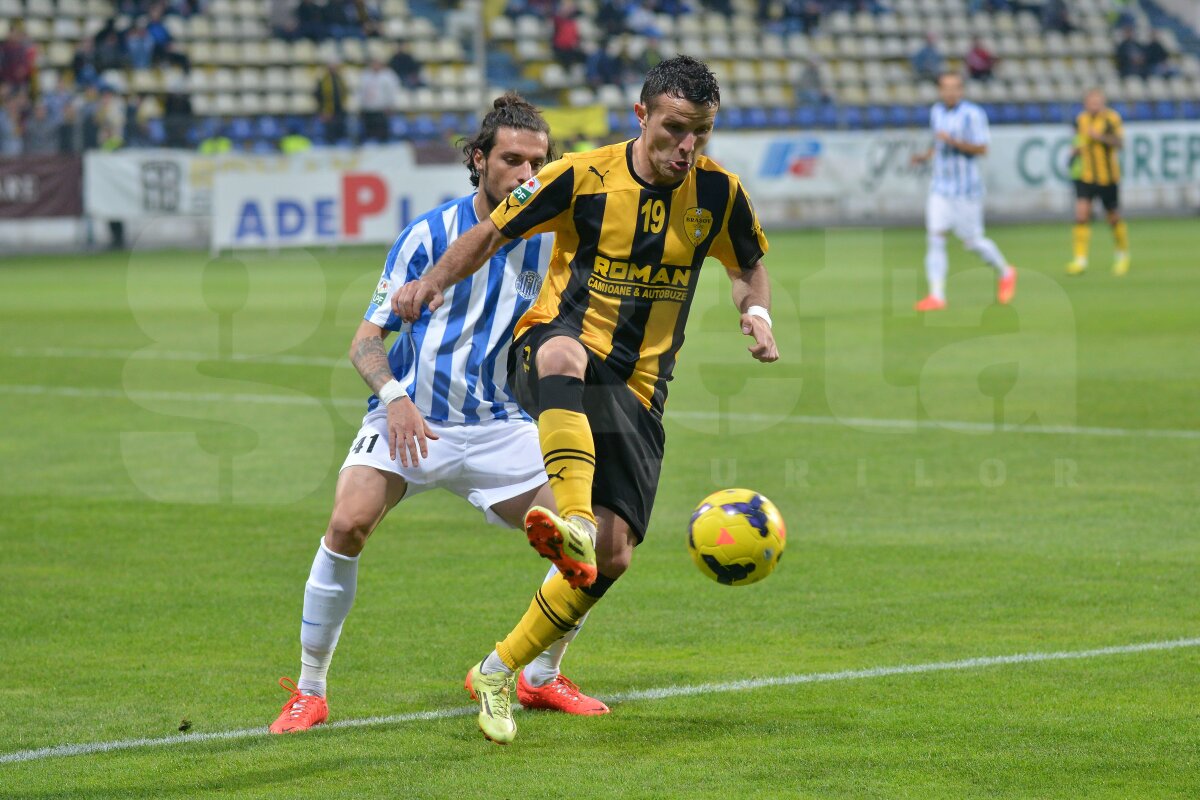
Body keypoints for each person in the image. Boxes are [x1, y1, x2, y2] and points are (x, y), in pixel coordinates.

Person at [393, 55, 779, 745]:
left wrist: (757, 313)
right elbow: (489, 233)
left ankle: (498, 670)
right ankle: (568, 515)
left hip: (642, 390)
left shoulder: (720, 194)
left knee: (614, 554)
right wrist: (433, 283)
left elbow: (748, 264)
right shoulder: (582, 177)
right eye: (675, 129)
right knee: (566, 351)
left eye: (702, 133)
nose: (687, 148)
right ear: (642, 117)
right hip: (550, 348)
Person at [268, 93, 611, 736]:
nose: (526, 174)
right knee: (346, 525)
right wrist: (394, 399)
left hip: (500, 424)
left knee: (591, 542)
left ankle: (539, 677)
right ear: (479, 160)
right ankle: (309, 690)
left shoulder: (556, 242)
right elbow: (366, 340)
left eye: (538, 162)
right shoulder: (426, 236)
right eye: (512, 159)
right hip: (412, 418)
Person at [911, 72, 1017, 311]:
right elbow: (938, 144)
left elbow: (981, 148)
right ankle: (937, 296)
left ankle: (1006, 271)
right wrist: (924, 156)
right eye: (945, 88)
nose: (950, 92)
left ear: (961, 90)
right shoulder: (936, 112)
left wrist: (953, 142)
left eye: (954, 88)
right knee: (935, 237)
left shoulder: (973, 114)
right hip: (940, 187)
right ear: (940, 90)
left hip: (966, 190)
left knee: (973, 242)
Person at [1067, 88, 1128, 276]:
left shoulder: (1112, 119)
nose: (1093, 105)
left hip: (1107, 177)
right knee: (1081, 215)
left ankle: (1122, 255)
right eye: (1090, 102)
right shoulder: (1080, 119)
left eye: (1097, 101)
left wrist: (1099, 137)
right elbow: (1078, 142)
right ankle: (1080, 260)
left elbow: (1120, 143)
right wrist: (1075, 150)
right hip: (1085, 176)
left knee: (1113, 218)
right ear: (1085, 103)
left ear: (1103, 103)